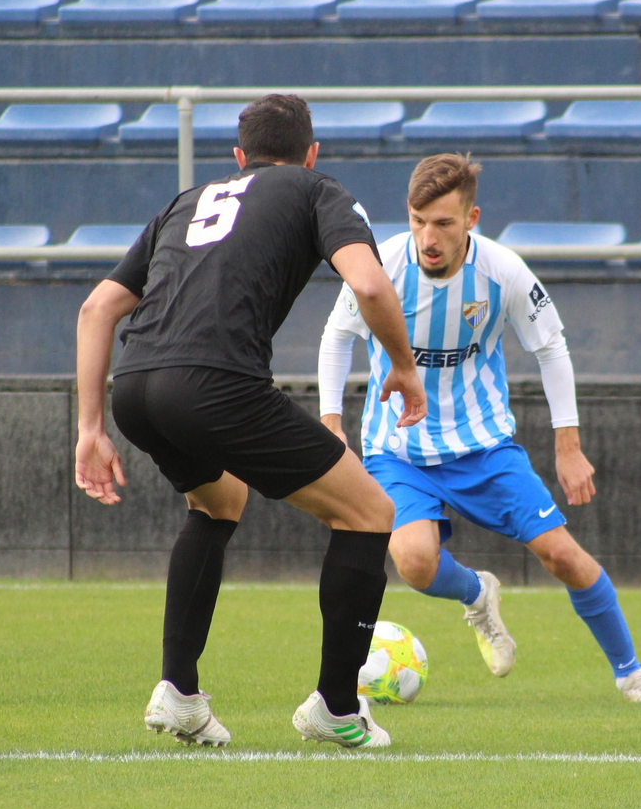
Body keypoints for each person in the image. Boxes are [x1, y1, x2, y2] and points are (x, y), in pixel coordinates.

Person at [74, 94, 428, 750]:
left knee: (218, 501)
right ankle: (336, 706)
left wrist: (89, 429)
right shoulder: (318, 189)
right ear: (311, 153)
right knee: (370, 513)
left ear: (240, 158)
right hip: (215, 384)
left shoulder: (186, 201)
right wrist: (403, 367)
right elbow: (371, 285)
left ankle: (179, 693)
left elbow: (97, 309)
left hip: (135, 386)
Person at [317, 153, 641, 705]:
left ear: (471, 218)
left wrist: (568, 446)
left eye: (443, 223)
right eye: (417, 220)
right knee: (413, 562)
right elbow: (336, 336)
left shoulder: (503, 272)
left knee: (561, 555)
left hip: (483, 448)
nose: (428, 237)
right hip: (400, 450)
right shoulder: (381, 264)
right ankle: (477, 594)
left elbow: (551, 348)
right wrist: (332, 424)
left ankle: (632, 674)